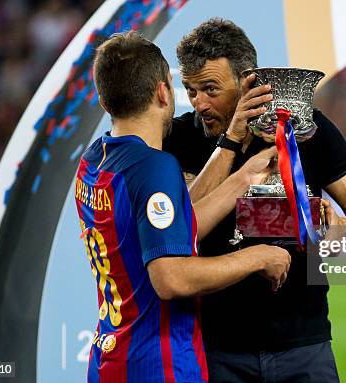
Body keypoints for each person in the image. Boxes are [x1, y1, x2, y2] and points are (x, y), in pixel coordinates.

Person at [163, 18, 346, 382]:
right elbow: (180, 230)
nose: (199, 103)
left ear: (247, 81)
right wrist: (231, 140)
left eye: (210, 89)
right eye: (190, 90)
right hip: (216, 348)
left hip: (303, 344)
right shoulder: (181, 140)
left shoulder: (306, 128)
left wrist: (341, 228)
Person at [74, 30, 291, 383]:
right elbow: (171, 279)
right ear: (163, 91)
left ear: (104, 100)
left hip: (110, 354)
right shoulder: (154, 166)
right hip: (157, 362)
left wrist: (242, 180)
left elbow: (172, 229)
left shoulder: (95, 159)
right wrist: (257, 258)